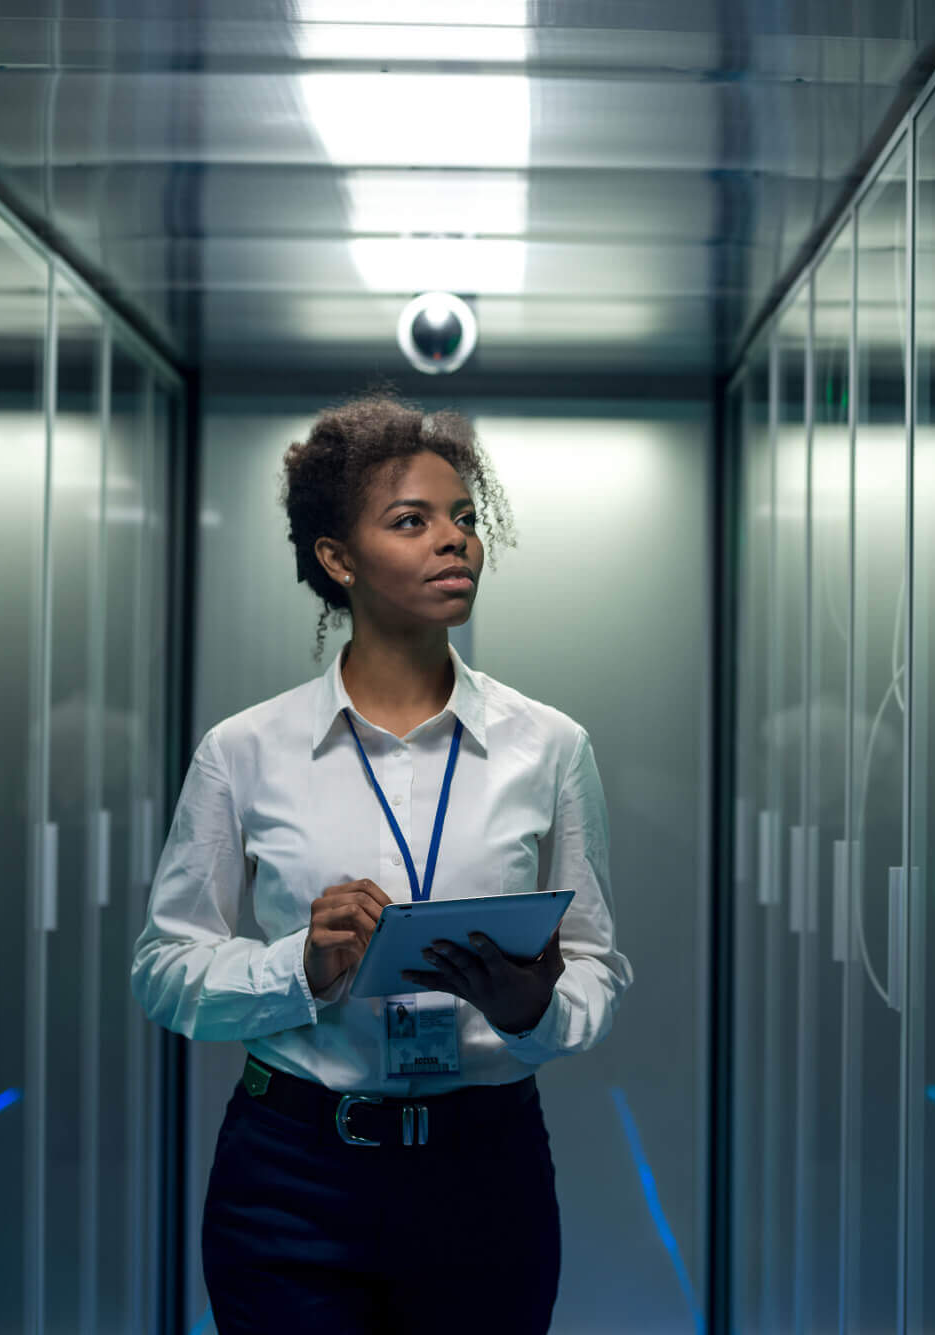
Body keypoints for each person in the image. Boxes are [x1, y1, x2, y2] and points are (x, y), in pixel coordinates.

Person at [131, 395, 631, 1334]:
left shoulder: (552, 746)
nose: (457, 542)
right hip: (293, 1178)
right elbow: (164, 968)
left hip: (486, 1173)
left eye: (466, 519)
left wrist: (535, 1010)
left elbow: (600, 962)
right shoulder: (245, 750)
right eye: (414, 521)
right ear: (337, 558)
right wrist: (300, 968)